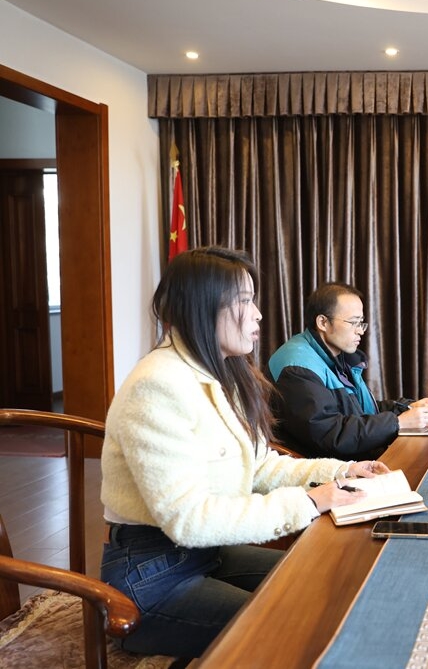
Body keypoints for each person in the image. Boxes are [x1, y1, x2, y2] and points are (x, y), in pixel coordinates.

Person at [100, 247, 389, 659]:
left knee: (326, 581)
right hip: (150, 575)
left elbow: (260, 466)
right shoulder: (158, 385)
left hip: (204, 554)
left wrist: (342, 473)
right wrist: (309, 502)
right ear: (203, 306)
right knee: (297, 624)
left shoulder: (220, 373)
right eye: (245, 301)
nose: (257, 314)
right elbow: (188, 520)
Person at [269, 282, 428, 459]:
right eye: (353, 323)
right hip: (331, 467)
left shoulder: (335, 357)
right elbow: (330, 434)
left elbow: (359, 410)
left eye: (361, 323)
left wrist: (406, 408)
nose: (360, 331)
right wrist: (397, 423)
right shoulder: (297, 366)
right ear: (323, 322)